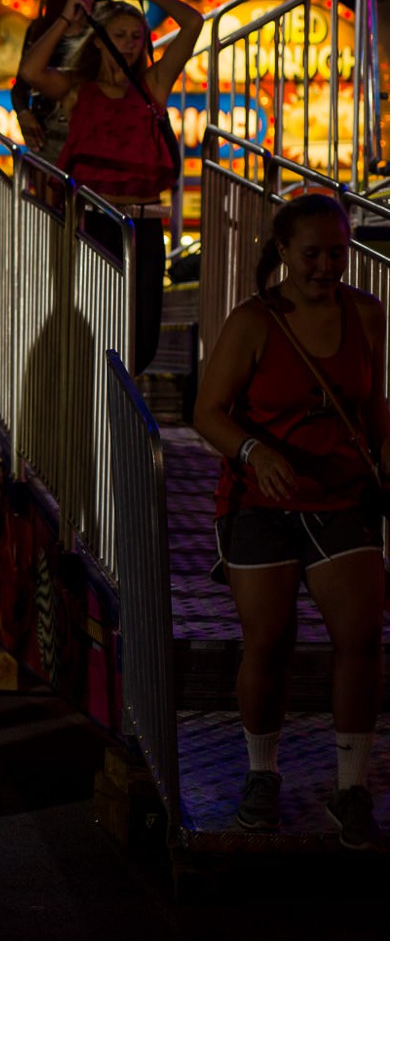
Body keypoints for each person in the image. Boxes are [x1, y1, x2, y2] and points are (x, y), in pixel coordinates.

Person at [193, 194, 387, 851]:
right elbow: (209, 411)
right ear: (283, 252)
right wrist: (253, 450)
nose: (327, 265)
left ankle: (352, 785)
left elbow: (375, 409)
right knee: (269, 641)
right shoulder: (254, 322)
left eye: (337, 252)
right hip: (262, 504)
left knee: (360, 637)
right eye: (312, 254)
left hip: (339, 498)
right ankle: (260, 773)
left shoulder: (367, 315)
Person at [18, 0, 204, 375]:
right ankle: (96, 410)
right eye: (120, 35)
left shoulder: (152, 84)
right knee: (95, 324)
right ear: (100, 39)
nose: (130, 45)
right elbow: (31, 73)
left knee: (142, 334)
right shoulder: (78, 87)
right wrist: (67, 18)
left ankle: (121, 408)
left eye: (137, 36)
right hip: (94, 222)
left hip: (144, 225)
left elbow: (193, 23)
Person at [11, 0, 109, 160]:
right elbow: (21, 84)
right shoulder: (42, 28)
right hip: (51, 140)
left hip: (92, 138)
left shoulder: (105, 26)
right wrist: (23, 112)